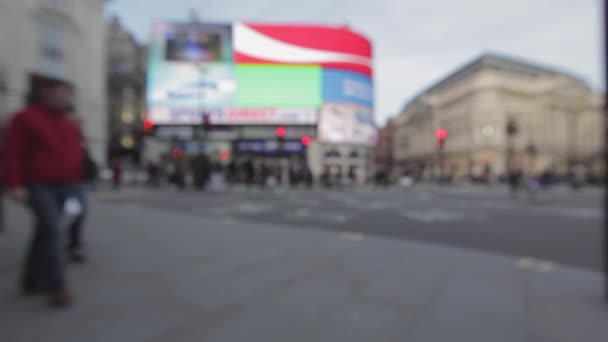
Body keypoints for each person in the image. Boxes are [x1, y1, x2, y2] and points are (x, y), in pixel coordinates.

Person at [3, 79, 82, 308]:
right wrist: (15, 184)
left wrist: (77, 184)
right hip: (38, 185)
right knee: (52, 228)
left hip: (68, 186)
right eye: (60, 93)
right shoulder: (26, 118)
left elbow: (74, 156)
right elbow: (13, 152)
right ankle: (57, 286)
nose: (65, 98)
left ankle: (31, 280)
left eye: (68, 94)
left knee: (46, 231)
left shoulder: (68, 124)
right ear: (46, 93)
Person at [66, 148, 97, 263]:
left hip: (80, 185)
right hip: (69, 186)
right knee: (73, 215)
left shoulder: (82, 153)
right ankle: (73, 244)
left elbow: (92, 169)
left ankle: (74, 244)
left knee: (78, 215)